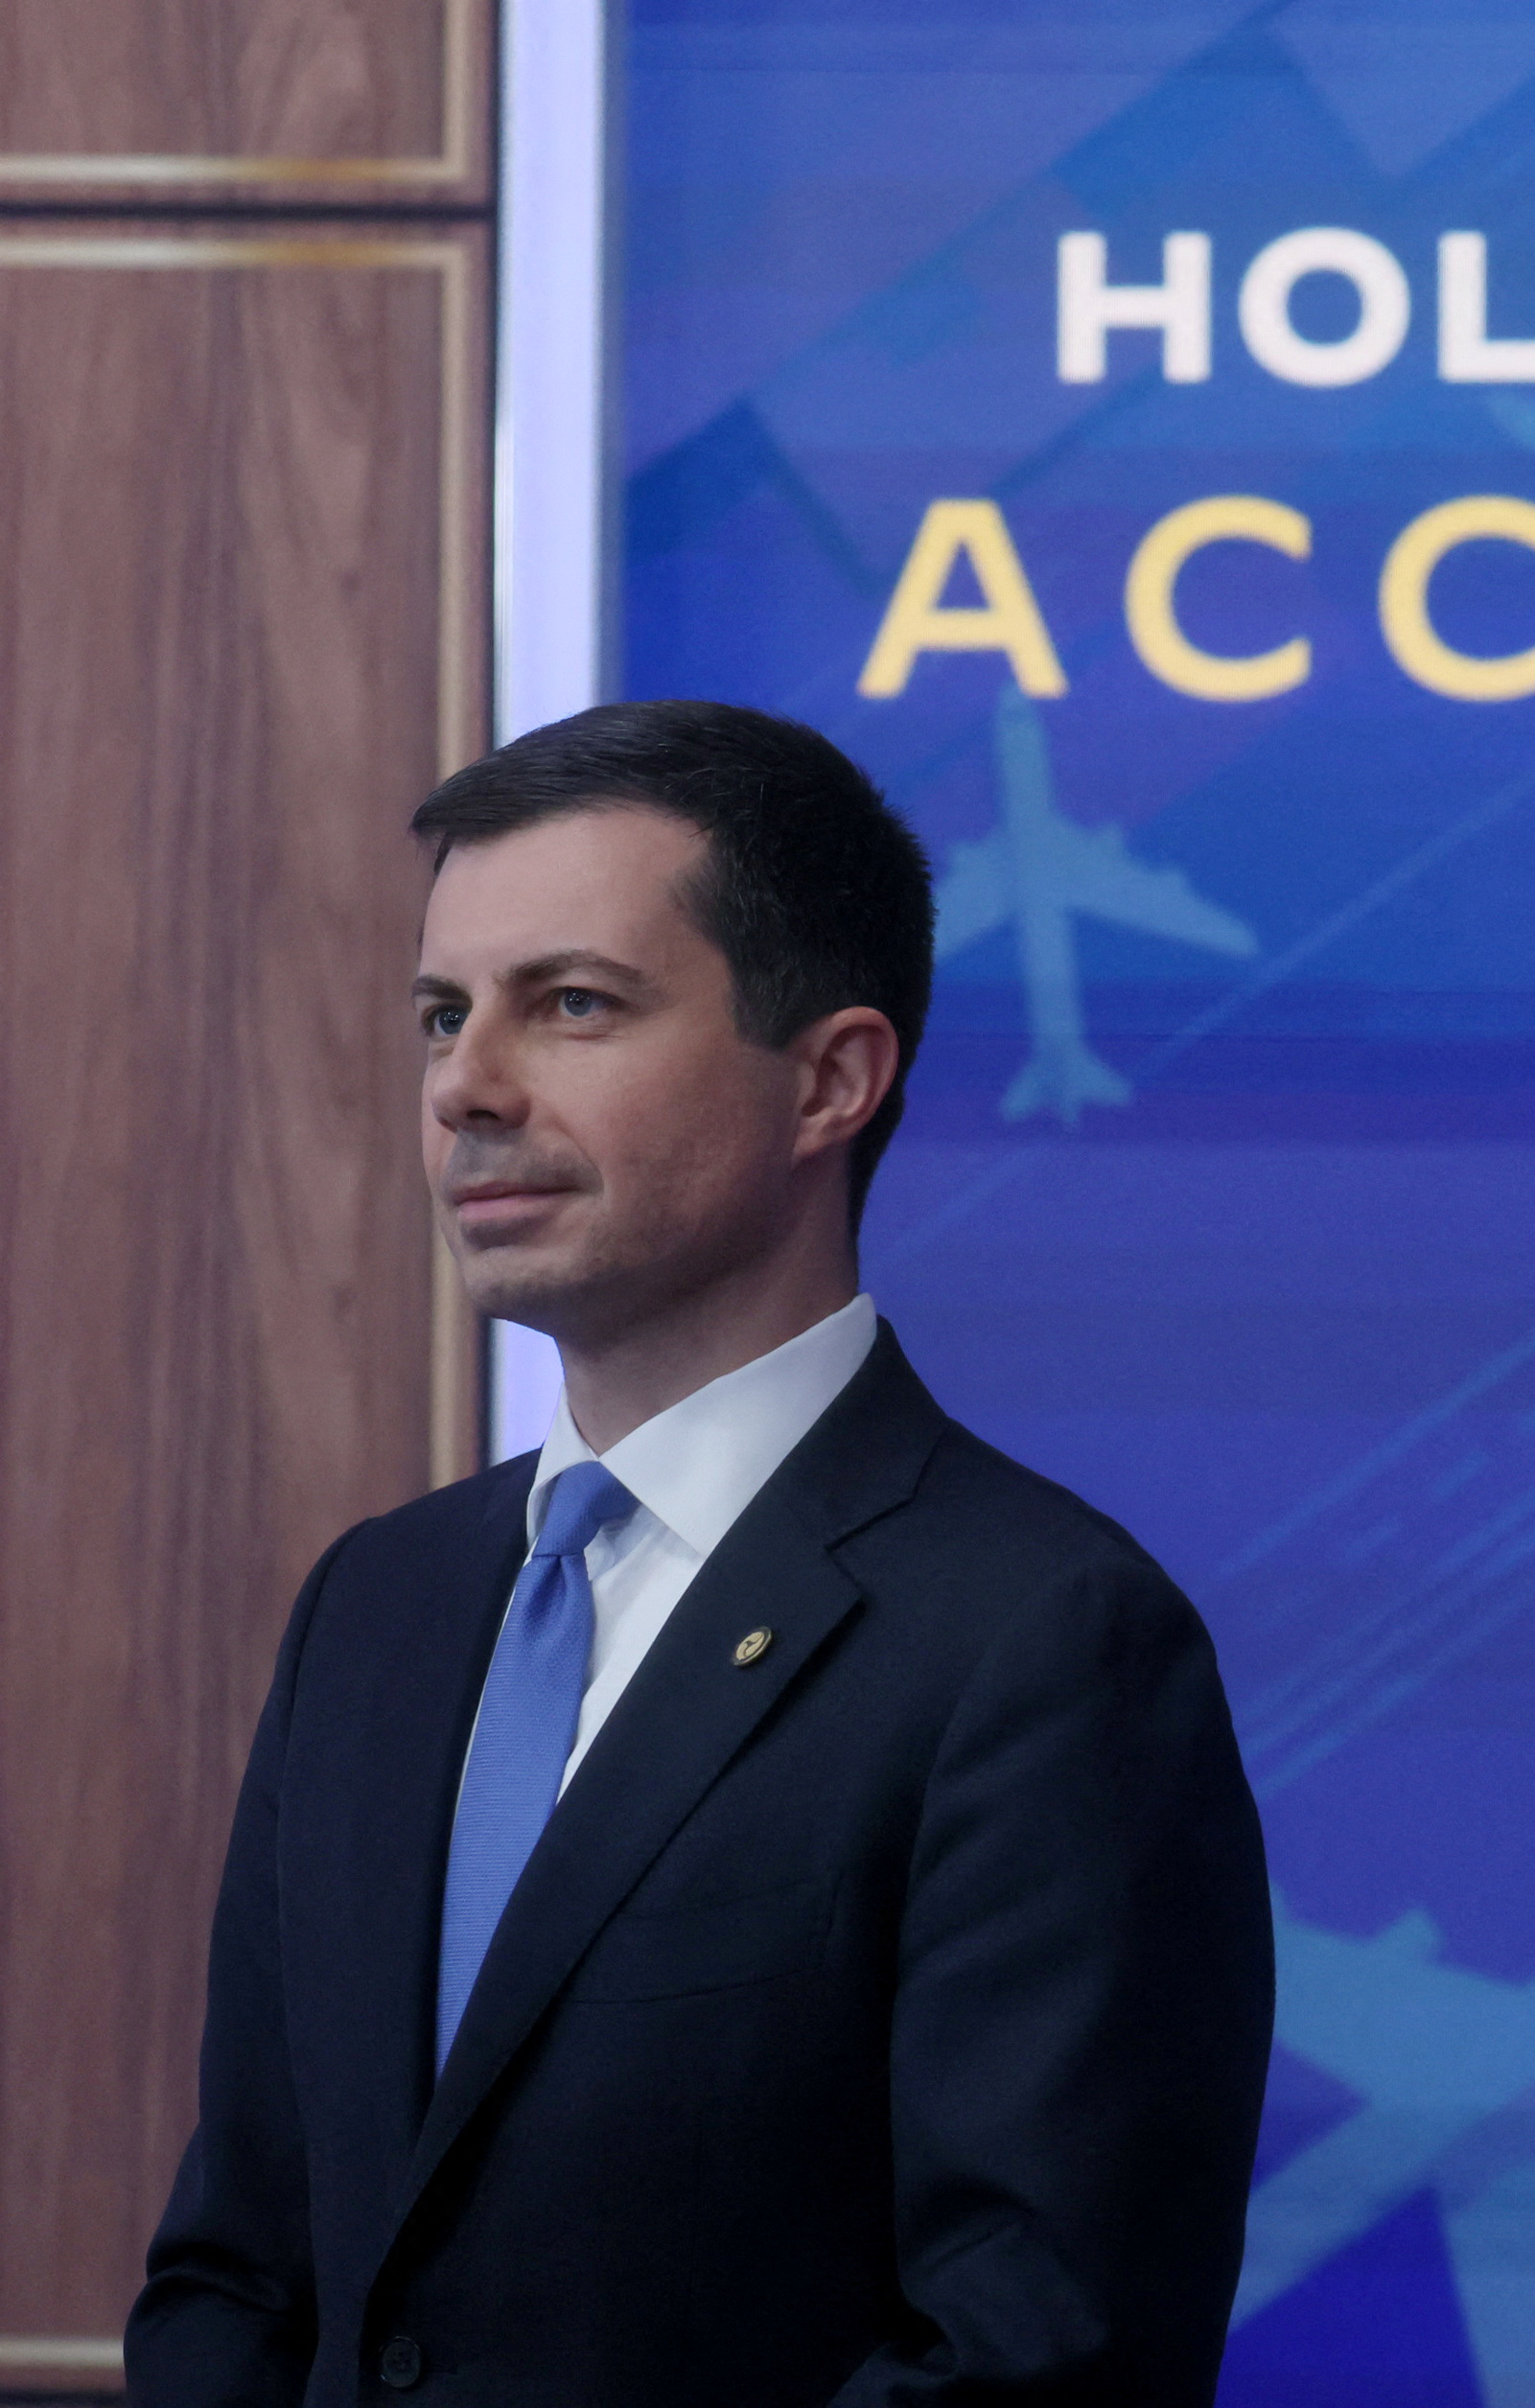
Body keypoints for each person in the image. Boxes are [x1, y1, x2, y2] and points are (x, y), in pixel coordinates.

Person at [128, 702, 1273, 2407]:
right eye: (443, 1014)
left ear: (831, 1078)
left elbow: (1037, 2357)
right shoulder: (378, 1605)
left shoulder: (1043, 1642)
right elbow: (241, 2267)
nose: (463, 1086)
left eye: (570, 1005)